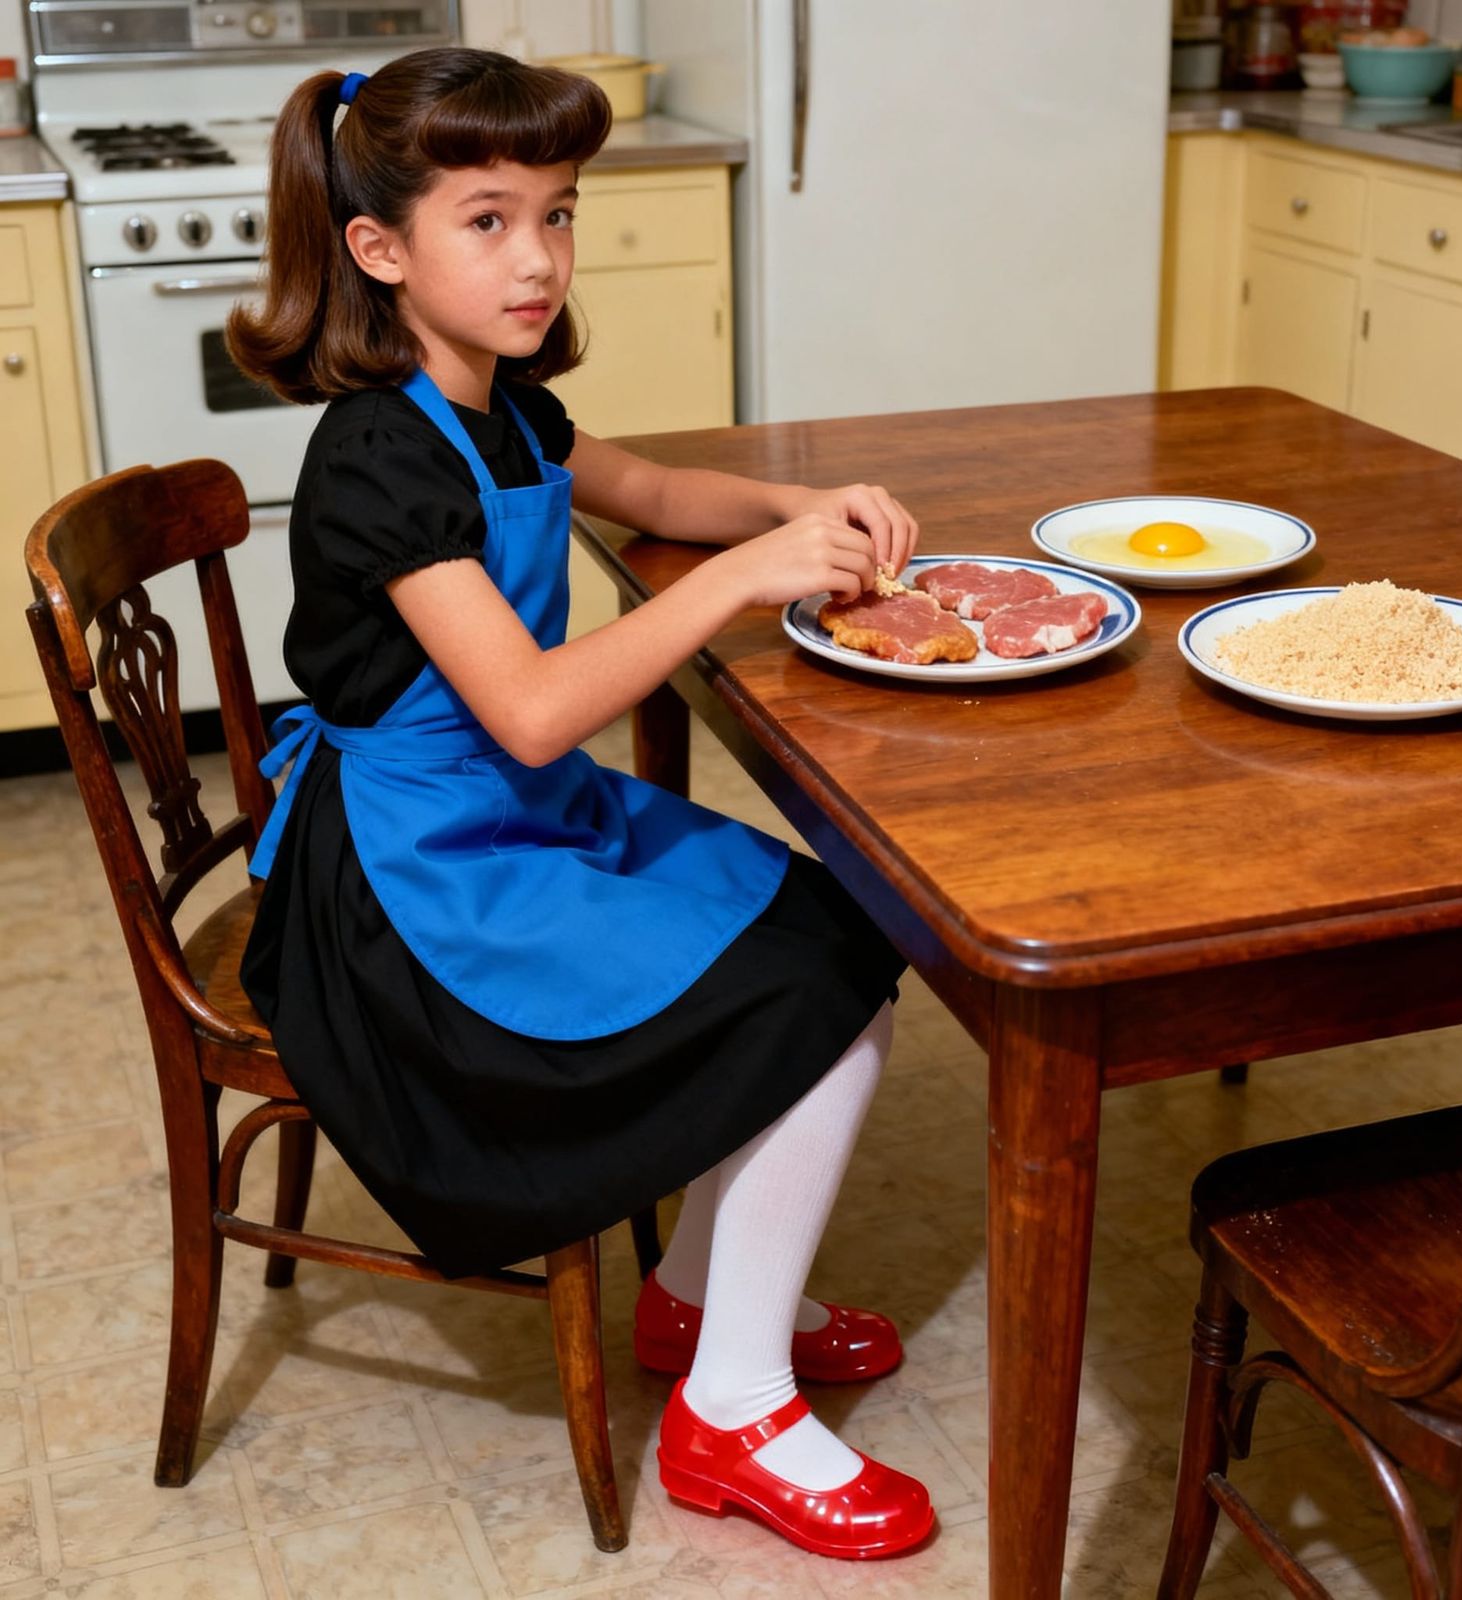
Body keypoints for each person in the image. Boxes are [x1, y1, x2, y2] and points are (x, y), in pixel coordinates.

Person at [227, 46, 935, 1560]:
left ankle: (693, 1301)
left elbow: (660, 494)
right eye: (488, 220)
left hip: (516, 815)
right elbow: (537, 706)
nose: (538, 257)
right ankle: (731, 1414)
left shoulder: (504, 406)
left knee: (834, 922)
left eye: (557, 213)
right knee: (796, 990)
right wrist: (752, 582)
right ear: (380, 248)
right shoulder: (374, 458)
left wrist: (803, 509)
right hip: (413, 890)